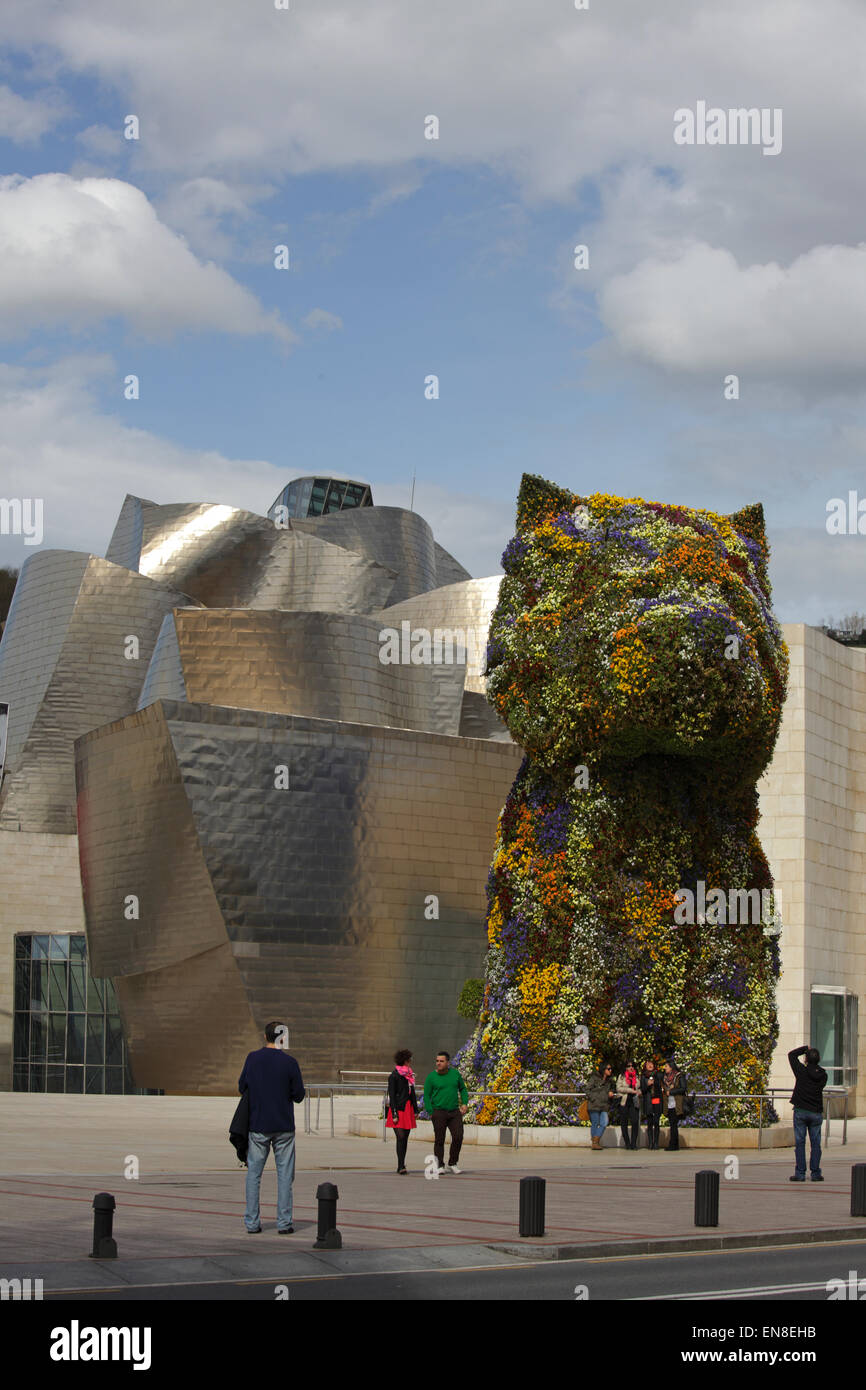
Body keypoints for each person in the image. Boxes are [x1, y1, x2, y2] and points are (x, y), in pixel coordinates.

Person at [238, 1022, 305, 1234]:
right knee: (285, 1175)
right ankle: (284, 1223)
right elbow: (299, 1095)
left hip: (258, 1125)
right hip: (283, 1126)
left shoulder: (253, 1058)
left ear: (266, 1036)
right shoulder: (290, 1063)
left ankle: (252, 1223)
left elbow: (242, 1086)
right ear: (282, 1037)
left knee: (254, 1175)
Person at [423, 1050, 468, 1174]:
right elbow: (426, 1095)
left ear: (448, 1062)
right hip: (438, 1112)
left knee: (458, 1136)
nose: (438, 1063)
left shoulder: (455, 1075)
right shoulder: (431, 1077)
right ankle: (439, 1165)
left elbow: (463, 1089)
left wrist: (464, 1103)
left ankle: (453, 1163)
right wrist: (430, 1111)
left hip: (454, 1112)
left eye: (441, 1061)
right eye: (437, 1061)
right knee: (439, 1140)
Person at [788, 1045, 828, 1182]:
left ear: (806, 1059)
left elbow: (791, 1055)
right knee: (816, 1144)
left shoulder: (801, 1071)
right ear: (819, 1060)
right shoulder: (823, 1075)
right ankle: (815, 1173)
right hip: (815, 1112)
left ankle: (800, 1173)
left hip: (800, 1111)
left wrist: (804, 1049)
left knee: (800, 1143)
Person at [386, 1048, 419, 1174]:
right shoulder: (394, 1076)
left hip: (408, 1108)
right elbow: (392, 1095)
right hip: (398, 1109)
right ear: (405, 1061)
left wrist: (416, 1109)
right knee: (400, 1136)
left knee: (405, 1137)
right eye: (410, 1059)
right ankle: (400, 1165)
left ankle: (402, 1163)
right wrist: (393, 1112)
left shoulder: (409, 1075)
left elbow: (412, 1093)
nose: (411, 1062)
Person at [585, 1062, 616, 1150]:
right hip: (594, 1104)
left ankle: (595, 1140)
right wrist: (594, 1098)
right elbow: (587, 1089)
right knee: (595, 1122)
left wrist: (611, 1091)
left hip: (604, 1105)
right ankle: (595, 1143)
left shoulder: (610, 1081)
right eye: (608, 1069)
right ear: (603, 1070)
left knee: (604, 1122)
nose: (610, 1070)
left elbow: (613, 1088)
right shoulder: (594, 1078)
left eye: (610, 1069)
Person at [662, 1060, 687, 1151]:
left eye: (666, 1066)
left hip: (677, 1103)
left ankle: (673, 1144)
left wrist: (671, 1092)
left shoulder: (679, 1076)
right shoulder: (665, 1078)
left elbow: (683, 1088)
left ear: (671, 1067)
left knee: (673, 1124)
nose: (665, 1068)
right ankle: (674, 1144)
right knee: (673, 1124)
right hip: (669, 1104)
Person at [616, 1061, 641, 1149]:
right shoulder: (621, 1077)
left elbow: (639, 1088)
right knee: (624, 1123)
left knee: (635, 1121)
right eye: (629, 1066)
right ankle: (627, 1143)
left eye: (632, 1066)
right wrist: (630, 1090)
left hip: (634, 1102)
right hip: (624, 1101)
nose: (631, 1068)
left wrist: (639, 1092)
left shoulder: (637, 1077)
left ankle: (633, 1143)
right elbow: (619, 1088)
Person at [640, 1059, 663, 1149]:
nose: (650, 1066)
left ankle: (656, 1143)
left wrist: (655, 1083)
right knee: (650, 1123)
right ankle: (650, 1143)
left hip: (656, 1099)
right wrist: (647, 1084)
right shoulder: (643, 1077)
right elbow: (643, 1089)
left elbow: (661, 1085)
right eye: (648, 1064)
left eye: (651, 1064)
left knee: (656, 1122)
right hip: (648, 1101)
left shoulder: (658, 1075)